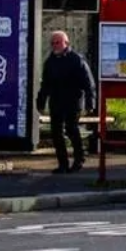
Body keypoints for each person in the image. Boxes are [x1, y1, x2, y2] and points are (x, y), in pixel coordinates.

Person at [35, 31, 96, 174]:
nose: (54, 45)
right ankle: (63, 164)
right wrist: (41, 102)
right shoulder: (50, 61)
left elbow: (88, 83)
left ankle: (79, 159)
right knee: (56, 132)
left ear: (66, 43)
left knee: (71, 129)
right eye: (52, 43)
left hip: (73, 101)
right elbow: (45, 85)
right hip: (56, 101)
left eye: (58, 42)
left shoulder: (76, 59)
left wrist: (90, 103)